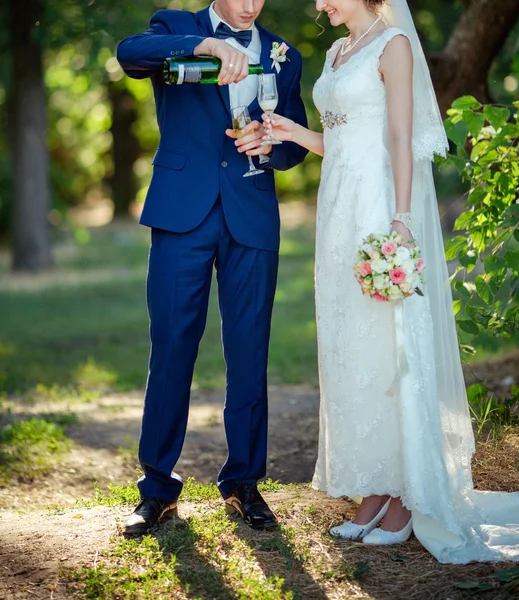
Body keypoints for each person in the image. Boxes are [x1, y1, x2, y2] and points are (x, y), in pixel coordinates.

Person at [263, 0, 519, 563]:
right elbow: (341, 142)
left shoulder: (395, 46)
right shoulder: (339, 51)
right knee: (351, 346)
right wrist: (293, 131)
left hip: (378, 205)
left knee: (388, 342)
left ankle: (407, 497)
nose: (320, 5)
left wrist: (402, 222)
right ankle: (375, 487)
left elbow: (398, 138)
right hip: (337, 206)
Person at [116, 0, 308, 535]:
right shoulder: (176, 27)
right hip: (182, 214)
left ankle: (244, 483)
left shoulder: (282, 52)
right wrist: (207, 45)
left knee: (250, 349)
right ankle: (157, 488)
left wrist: (273, 141)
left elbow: (295, 139)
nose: (250, 7)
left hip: (251, 213)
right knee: (173, 344)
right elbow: (129, 53)